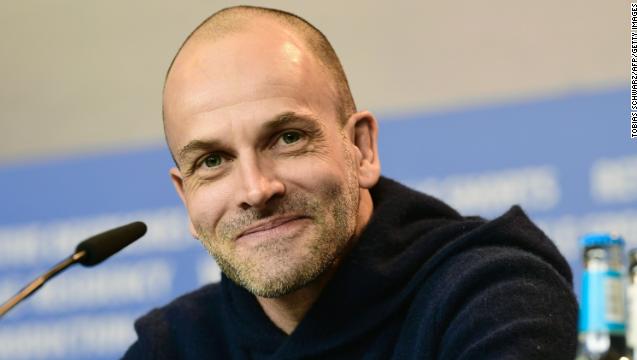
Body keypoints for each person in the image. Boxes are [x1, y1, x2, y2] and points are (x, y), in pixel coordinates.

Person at [124, 5, 577, 359]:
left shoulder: (489, 297)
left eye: (287, 138)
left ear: (361, 148)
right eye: (212, 161)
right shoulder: (172, 345)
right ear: (186, 198)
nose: (256, 190)